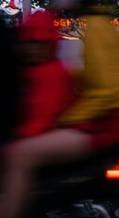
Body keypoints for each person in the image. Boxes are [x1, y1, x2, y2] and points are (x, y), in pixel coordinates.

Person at [0, 0, 119, 218]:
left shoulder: (98, 29)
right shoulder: (95, 25)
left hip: (105, 125)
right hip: (107, 122)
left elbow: (105, 93)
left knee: (19, 156)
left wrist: (69, 120)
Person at [15, 10, 75, 140]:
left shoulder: (52, 74)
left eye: (39, 43)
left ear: (51, 44)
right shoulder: (32, 70)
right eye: (28, 43)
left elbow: (42, 120)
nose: (32, 49)